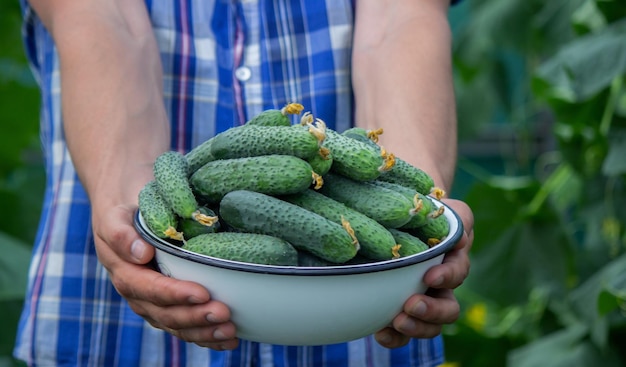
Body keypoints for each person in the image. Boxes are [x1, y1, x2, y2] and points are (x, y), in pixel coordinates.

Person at [15, 0, 473, 366]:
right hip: (117, 319)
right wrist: (134, 201)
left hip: (362, 309)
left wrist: (419, 207)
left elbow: (399, 18)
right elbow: (102, 15)